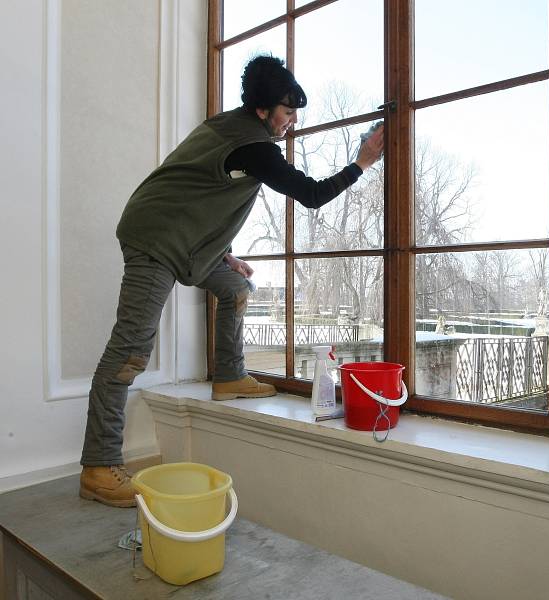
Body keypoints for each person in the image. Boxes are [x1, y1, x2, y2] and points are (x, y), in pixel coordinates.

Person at [78, 55, 385, 508]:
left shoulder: (230, 127)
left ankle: (229, 375)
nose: (292, 121)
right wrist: (362, 161)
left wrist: (221, 252)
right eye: (287, 111)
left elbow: (193, 188)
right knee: (128, 354)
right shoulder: (253, 146)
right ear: (264, 110)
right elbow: (313, 194)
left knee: (235, 287)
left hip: (184, 239)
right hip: (155, 241)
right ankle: (98, 467)